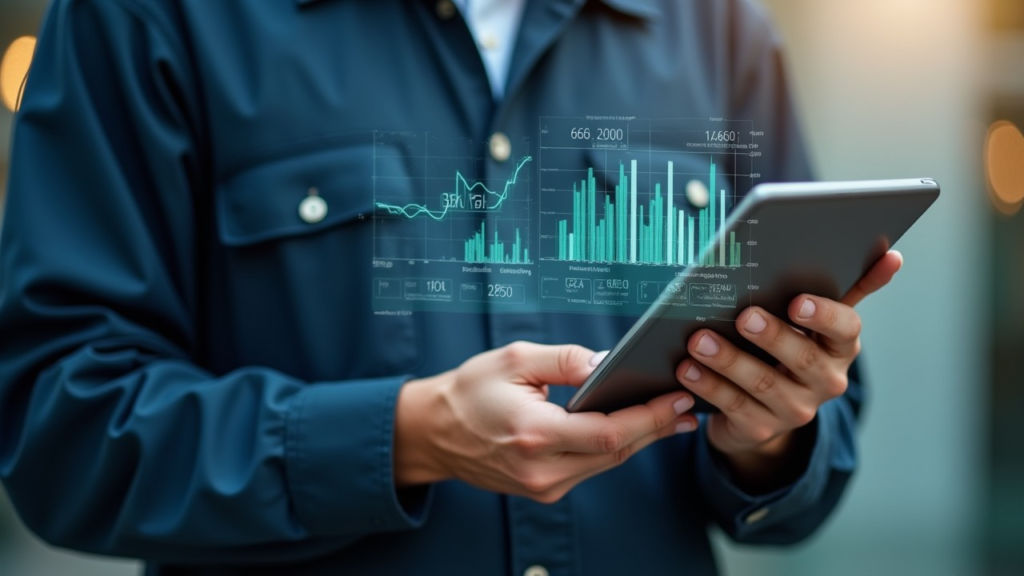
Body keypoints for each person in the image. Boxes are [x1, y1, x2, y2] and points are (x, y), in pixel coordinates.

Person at [0, 0, 901, 574]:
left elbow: (808, 476)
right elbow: (61, 427)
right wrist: (401, 439)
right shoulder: (149, 16)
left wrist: (768, 432)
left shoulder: (718, 26)